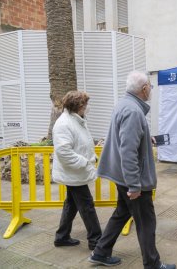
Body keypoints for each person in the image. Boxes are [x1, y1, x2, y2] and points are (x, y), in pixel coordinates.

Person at [88, 71, 175, 269]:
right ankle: (152, 264)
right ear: (144, 89)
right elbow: (128, 152)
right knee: (146, 221)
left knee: (122, 212)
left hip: (121, 175)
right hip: (132, 179)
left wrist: (146, 138)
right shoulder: (134, 112)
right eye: (150, 87)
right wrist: (135, 185)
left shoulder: (124, 104)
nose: (151, 90)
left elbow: (126, 139)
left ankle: (100, 252)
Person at [52, 91, 102, 251]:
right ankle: (96, 242)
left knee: (71, 204)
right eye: (85, 105)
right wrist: (85, 162)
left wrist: (91, 157)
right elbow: (64, 152)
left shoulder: (76, 120)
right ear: (78, 106)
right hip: (74, 172)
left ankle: (62, 236)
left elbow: (82, 143)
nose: (87, 107)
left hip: (76, 172)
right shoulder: (64, 124)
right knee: (87, 205)